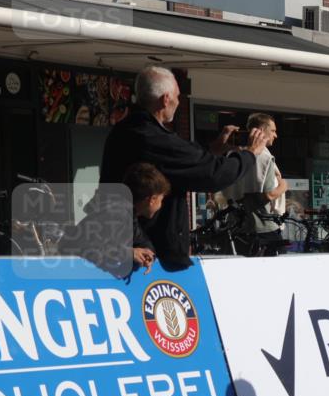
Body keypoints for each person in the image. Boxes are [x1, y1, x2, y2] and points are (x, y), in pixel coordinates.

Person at [98, 66, 267, 268]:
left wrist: (213, 149)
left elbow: (180, 160)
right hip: (151, 255)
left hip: (132, 244)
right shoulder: (153, 137)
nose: (179, 102)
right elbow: (213, 175)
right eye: (178, 96)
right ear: (166, 99)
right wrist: (249, 153)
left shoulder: (124, 130)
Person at [62, 163, 170, 278]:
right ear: (152, 200)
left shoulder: (128, 213)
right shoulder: (116, 212)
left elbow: (141, 240)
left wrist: (147, 254)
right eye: (161, 199)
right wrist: (129, 253)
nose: (161, 205)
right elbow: (87, 245)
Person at [222, 113, 289, 255]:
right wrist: (283, 185)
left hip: (236, 226)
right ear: (262, 131)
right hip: (262, 228)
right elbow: (268, 194)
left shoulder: (232, 155)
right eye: (273, 131)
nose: (275, 135)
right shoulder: (264, 157)